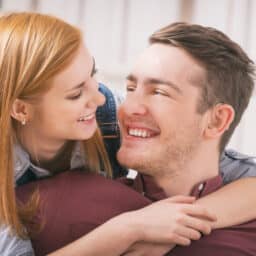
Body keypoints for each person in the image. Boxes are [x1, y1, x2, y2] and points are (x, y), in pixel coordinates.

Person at [0, 12, 256, 256]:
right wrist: (130, 229)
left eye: (93, 76)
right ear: (21, 109)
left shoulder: (107, 117)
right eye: (76, 93)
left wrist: (178, 223)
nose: (100, 98)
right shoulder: (30, 201)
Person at [116, 22, 256, 255]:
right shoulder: (65, 206)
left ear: (216, 120)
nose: (128, 108)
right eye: (130, 88)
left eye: (159, 92)